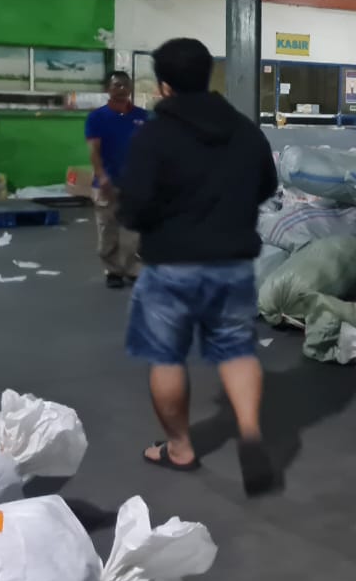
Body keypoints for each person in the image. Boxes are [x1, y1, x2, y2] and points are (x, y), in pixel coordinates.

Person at [118, 38, 279, 497]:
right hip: (231, 263)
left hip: (171, 266)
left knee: (167, 356)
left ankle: (180, 447)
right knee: (236, 350)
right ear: (208, 75)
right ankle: (249, 430)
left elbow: (134, 208)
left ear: (164, 85)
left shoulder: (153, 135)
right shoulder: (245, 131)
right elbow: (266, 184)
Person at [86, 71, 148, 288]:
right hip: (107, 184)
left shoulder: (143, 116)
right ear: (108, 89)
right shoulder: (97, 117)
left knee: (134, 232)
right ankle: (112, 271)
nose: (121, 89)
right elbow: (94, 151)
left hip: (134, 184)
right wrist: (102, 177)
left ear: (130, 88)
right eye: (116, 85)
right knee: (108, 230)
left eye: (124, 85)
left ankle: (133, 270)